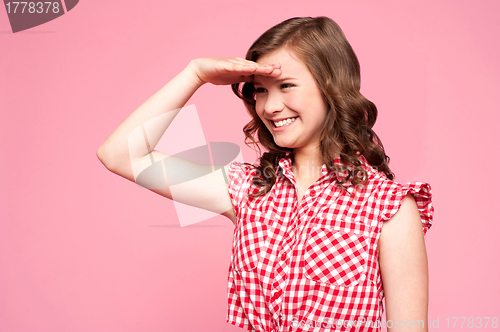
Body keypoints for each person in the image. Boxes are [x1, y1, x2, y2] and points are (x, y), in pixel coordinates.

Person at [97, 16, 433, 332]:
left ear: (332, 88)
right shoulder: (248, 189)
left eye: (286, 85)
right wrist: (195, 75)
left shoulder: (389, 208)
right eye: (260, 89)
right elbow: (119, 155)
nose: (269, 106)